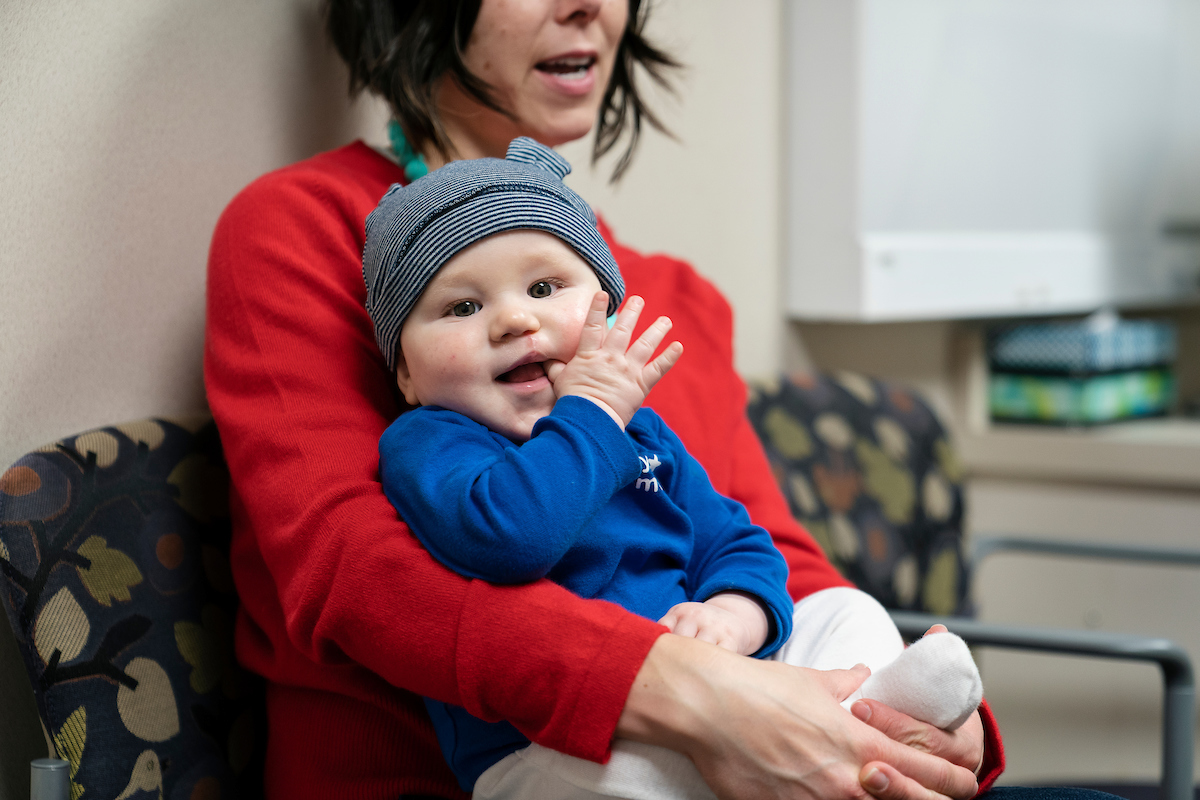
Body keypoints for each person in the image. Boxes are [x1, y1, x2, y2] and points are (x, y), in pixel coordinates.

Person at [204, 1, 1002, 797]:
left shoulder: (679, 300)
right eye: (463, 306)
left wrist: (922, 734)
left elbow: (771, 554)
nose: (589, 3)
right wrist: (700, 698)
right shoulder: (303, 230)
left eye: (549, 286)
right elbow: (362, 574)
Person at [361, 137, 985, 798]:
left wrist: (731, 612)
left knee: (844, 609)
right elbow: (512, 539)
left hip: (722, 693)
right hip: (555, 746)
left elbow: (737, 542)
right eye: (462, 307)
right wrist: (593, 414)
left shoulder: (645, 432)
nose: (515, 319)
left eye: (544, 287)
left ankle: (877, 715)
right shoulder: (431, 442)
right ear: (405, 371)